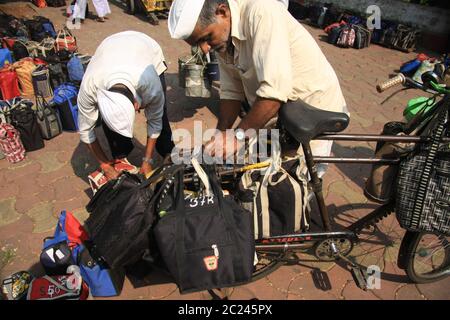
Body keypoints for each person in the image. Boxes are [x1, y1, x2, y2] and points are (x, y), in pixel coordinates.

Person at [168, 0, 348, 166]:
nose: (205, 48)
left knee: (295, 183)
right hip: (280, 111)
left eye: (206, 38)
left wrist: (237, 137)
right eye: (197, 43)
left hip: (313, 108)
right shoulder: (223, 34)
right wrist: (219, 136)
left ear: (222, 12)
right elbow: (231, 91)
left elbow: (274, 93)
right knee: (259, 175)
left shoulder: (262, 12)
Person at [78, 31, 174, 179]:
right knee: (112, 125)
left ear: (136, 105)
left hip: (145, 46)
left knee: (160, 114)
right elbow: (85, 131)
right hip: (109, 47)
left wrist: (147, 160)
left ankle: (167, 151)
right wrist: (104, 165)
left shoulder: (150, 84)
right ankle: (120, 157)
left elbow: (154, 121)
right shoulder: (89, 86)